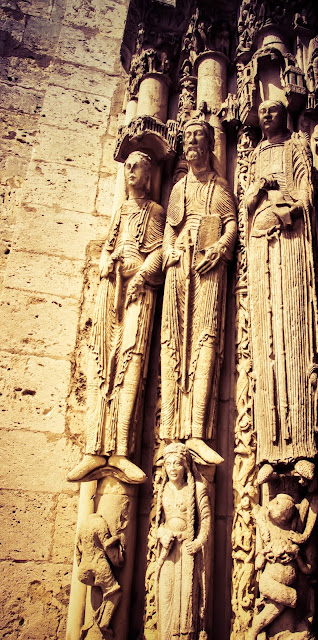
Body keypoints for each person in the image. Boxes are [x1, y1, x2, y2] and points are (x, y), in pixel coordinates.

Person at [68, 151, 165, 484]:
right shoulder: (121, 209)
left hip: (138, 291)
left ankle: (122, 452)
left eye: (137, 167)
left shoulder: (155, 211)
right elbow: (109, 245)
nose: (130, 173)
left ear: (149, 174)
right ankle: (94, 450)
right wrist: (106, 261)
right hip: (111, 292)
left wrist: (141, 272)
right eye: (127, 167)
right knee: (101, 365)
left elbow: (159, 251)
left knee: (132, 363)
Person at [244, 100, 318, 485]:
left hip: (290, 245)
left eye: (273, 109)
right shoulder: (256, 154)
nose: (266, 114)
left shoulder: (296, 147)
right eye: (262, 111)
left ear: (285, 113)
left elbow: (306, 193)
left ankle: (304, 447)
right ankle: (268, 453)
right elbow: (244, 205)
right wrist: (257, 194)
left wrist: (287, 210)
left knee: (294, 339)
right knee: (265, 346)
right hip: (260, 246)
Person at [160, 119, 237, 464]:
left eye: (198, 137)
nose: (192, 143)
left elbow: (231, 223)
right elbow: (168, 229)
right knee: (172, 341)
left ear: (208, 146)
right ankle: (169, 432)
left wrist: (220, 249)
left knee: (205, 340)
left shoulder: (219, 187)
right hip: (179, 267)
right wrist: (169, 252)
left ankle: (196, 432)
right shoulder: (178, 189)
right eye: (187, 138)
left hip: (209, 266)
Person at [156, 442, 211, 640]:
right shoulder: (162, 489)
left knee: (187, 599)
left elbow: (205, 521)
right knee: (166, 594)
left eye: (177, 463)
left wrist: (198, 542)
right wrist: (162, 534)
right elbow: (158, 523)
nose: (172, 468)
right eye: (168, 464)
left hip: (188, 550)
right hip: (168, 550)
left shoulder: (197, 489)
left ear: (185, 466)